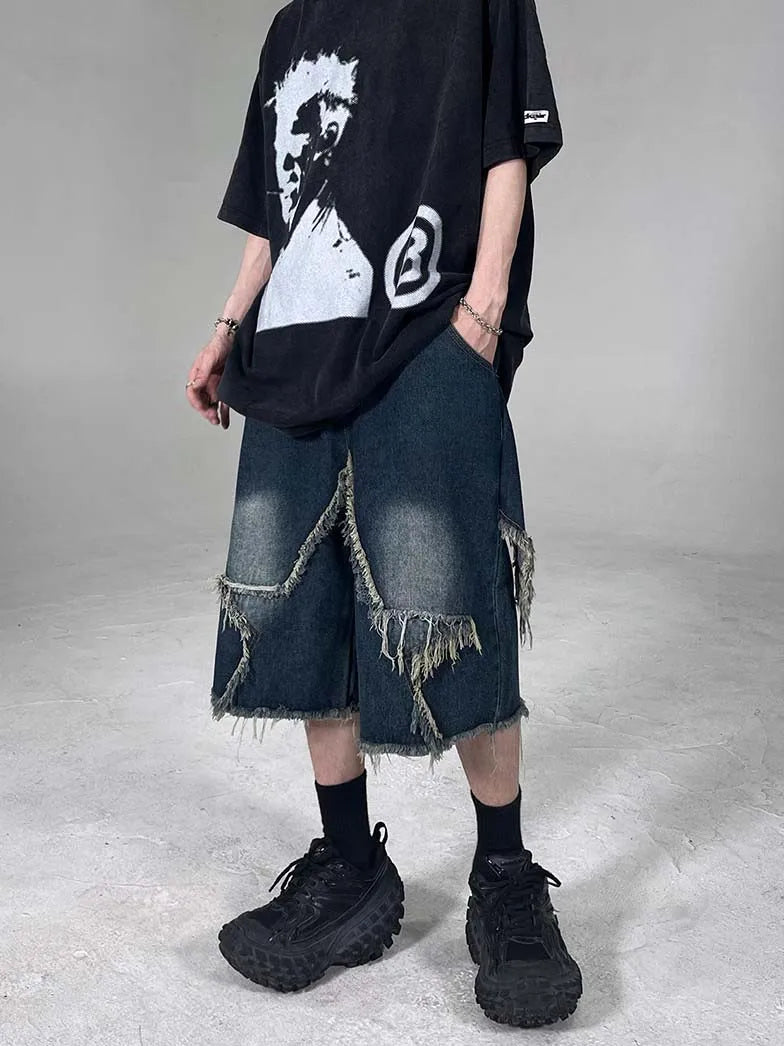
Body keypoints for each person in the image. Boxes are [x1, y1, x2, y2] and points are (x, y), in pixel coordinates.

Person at [186, 0, 582, 1028]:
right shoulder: (292, 26)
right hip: (292, 346)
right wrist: (228, 322)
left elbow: (507, 149)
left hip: (425, 331)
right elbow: (276, 205)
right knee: (299, 601)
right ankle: (349, 866)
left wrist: (483, 310)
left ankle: (504, 877)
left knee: (449, 595)